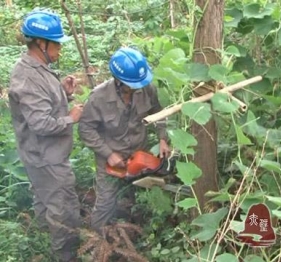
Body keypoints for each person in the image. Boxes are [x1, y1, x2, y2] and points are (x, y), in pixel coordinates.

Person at [8, 8, 83, 262]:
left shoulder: (38, 68)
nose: (59, 50)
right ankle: (65, 255)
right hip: (45, 157)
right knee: (65, 210)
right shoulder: (28, 75)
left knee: (45, 200)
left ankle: (42, 243)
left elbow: (41, 105)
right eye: (57, 44)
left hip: (42, 154)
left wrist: (64, 93)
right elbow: (40, 123)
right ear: (41, 43)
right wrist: (70, 118)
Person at [78, 47, 170, 235]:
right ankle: (97, 243)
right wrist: (108, 154)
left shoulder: (147, 89)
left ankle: (133, 236)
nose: (137, 87)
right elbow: (86, 129)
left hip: (140, 155)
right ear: (119, 81)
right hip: (111, 158)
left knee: (136, 198)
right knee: (106, 202)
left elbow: (160, 114)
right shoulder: (99, 97)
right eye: (132, 84)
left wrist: (163, 138)